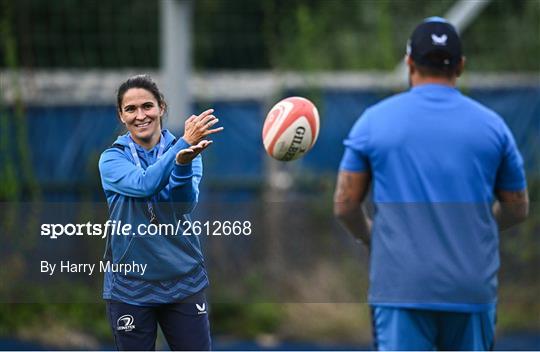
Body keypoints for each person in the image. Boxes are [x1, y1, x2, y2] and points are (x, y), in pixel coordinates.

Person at [334, 17, 529, 351]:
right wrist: (474, 231)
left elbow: (345, 204)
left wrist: (371, 238)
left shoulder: (374, 122)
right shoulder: (493, 128)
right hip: (471, 289)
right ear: (461, 66)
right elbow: (517, 206)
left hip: (401, 289)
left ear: (410, 63)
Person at [98, 74, 222, 350]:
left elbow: (181, 206)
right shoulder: (112, 159)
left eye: (147, 106)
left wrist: (183, 164)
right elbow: (145, 185)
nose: (140, 115)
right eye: (130, 109)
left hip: (183, 281)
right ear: (121, 115)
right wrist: (180, 149)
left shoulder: (190, 151)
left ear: (161, 108)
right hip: (130, 285)